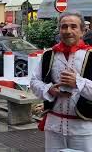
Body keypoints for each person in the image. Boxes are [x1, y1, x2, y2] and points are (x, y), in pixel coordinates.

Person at [30, 12, 92, 152]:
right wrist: (49, 90)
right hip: (54, 127)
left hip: (84, 129)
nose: (68, 31)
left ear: (82, 31)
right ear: (59, 30)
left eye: (73, 26)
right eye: (64, 27)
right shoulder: (48, 55)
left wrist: (78, 82)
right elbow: (34, 82)